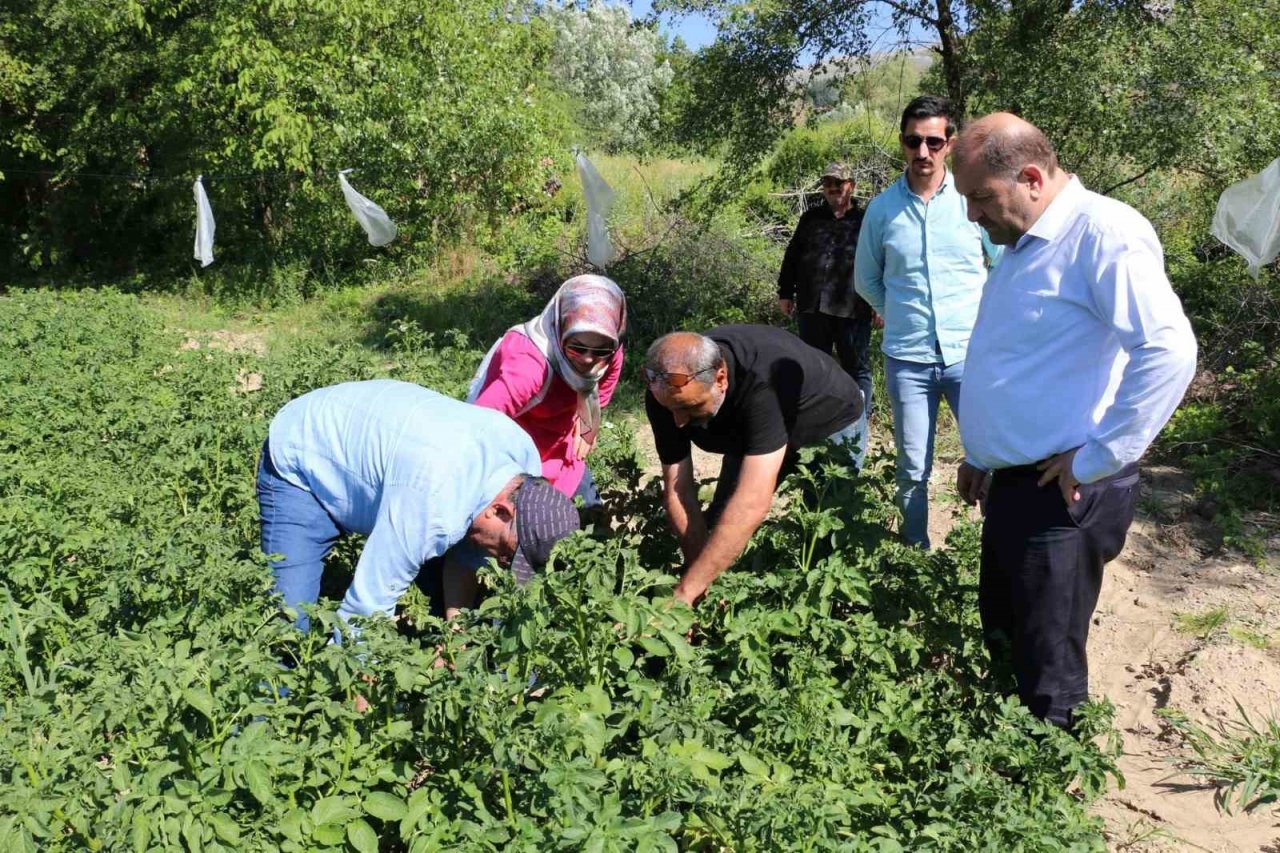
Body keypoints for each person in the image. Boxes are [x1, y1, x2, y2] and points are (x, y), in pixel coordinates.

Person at [951, 113, 1197, 730]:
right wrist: (985, 452)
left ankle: (1046, 802)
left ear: (1031, 177)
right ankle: (1006, 780)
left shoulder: (1102, 235)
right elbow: (1025, 356)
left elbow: (1168, 351)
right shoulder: (1024, 239)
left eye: (980, 198)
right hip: (1018, 484)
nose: (972, 216)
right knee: (1008, 637)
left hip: (1064, 491)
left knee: (1048, 665)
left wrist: (1097, 457)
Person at [257, 379, 579, 633]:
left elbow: (468, 551)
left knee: (437, 591)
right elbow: (366, 609)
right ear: (501, 510)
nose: (504, 562)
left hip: (374, 449)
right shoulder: (431, 504)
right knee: (289, 620)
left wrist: (457, 635)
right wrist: (366, 712)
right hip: (306, 455)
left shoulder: (520, 464)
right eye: (509, 553)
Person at [854, 95, 996, 549]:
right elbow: (866, 280)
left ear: (950, 144)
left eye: (934, 141)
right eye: (914, 141)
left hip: (970, 355)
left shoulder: (973, 199)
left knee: (995, 456)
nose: (923, 152)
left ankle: (1001, 552)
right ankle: (915, 555)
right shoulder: (881, 210)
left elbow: (1003, 265)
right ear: (902, 143)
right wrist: (899, 313)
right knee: (913, 466)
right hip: (908, 360)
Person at [644, 326, 865, 606]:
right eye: (670, 410)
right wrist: (697, 577)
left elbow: (752, 502)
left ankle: (821, 617)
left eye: (691, 408)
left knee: (825, 535)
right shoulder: (666, 393)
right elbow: (679, 491)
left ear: (721, 378)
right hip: (750, 429)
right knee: (719, 520)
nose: (678, 422)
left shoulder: (761, 384)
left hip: (829, 421)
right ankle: (719, 597)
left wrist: (686, 592)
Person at [470, 274, 626, 510]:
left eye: (600, 350)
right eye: (577, 347)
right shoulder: (529, 369)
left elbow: (606, 378)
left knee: (592, 518)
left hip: (562, 447)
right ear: (560, 327)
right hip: (515, 450)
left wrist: (589, 419)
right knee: (530, 533)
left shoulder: (609, 349)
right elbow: (476, 429)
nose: (588, 358)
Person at [777, 162, 878, 418]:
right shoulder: (810, 219)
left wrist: (880, 304)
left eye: (839, 183)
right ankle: (817, 424)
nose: (833, 189)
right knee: (813, 367)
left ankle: (858, 427)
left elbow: (881, 263)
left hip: (853, 309)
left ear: (851, 186)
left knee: (857, 370)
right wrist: (785, 292)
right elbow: (792, 256)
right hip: (813, 307)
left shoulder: (867, 221)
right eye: (828, 184)